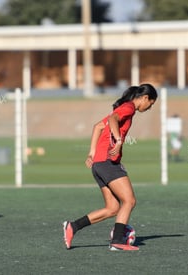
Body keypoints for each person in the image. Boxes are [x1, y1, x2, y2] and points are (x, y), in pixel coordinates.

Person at [63, 83, 157, 251]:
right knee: (129, 200)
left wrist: (92, 152)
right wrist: (119, 140)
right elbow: (113, 120)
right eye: (151, 103)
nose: (150, 108)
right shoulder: (128, 107)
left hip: (99, 163)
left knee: (112, 208)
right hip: (107, 162)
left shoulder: (123, 108)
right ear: (144, 98)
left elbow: (98, 126)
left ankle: (73, 227)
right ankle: (118, 241)